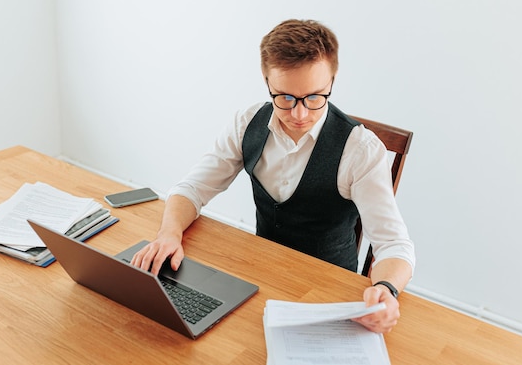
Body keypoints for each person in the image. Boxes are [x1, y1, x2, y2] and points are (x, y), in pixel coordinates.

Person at [132, 19, 415, 333]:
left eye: (315, 98)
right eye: (284, 98)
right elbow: (193, 188)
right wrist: (169, 233)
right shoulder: (247, 123)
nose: (299, 115)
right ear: (267, 81)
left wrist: (387, 289)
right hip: (260, 283)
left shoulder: (360, 150)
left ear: (332, 80)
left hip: (329, 297)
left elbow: (394, 244)